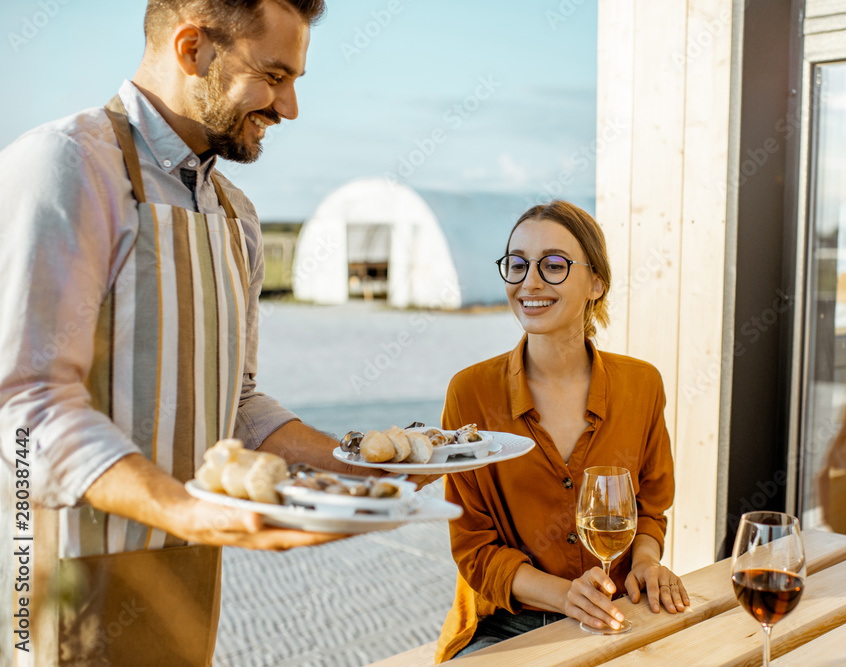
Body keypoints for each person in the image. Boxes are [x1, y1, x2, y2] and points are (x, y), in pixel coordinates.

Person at [0, 1, 383, 663]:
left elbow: (234, 402)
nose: (289, 107)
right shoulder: (69, 163)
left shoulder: (237, 213)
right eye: (273, 75)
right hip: (67, 572)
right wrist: (183, 507)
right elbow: (27, 402)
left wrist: (359, 462)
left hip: (190, 567)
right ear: (193, 50)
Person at [435, 201, 688, 661]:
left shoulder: (642, 384)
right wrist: (565, 595)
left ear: (597, 283)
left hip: (621, 610)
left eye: (553, 265)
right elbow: (473, 547)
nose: (529, 282)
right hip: (505, 625)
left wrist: (647, 561)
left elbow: (652, 505)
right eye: (517, 264)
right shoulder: (469, 393)